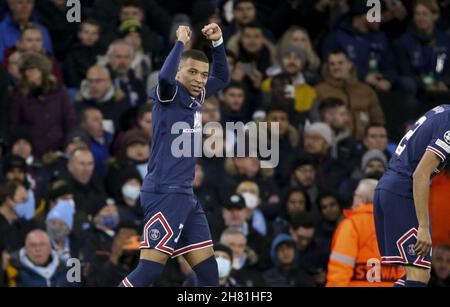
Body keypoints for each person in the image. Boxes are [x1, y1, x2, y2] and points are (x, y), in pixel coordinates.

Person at [119, 23, 229, 287]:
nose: (200, 79)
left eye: (203, 74)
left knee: (209, 276)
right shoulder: (169, 94)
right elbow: (165, 79)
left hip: (185, 196)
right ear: (179, 71)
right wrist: (180, 43)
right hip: (164, 193)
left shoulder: (195, 98)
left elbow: (223, 78)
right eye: (192, 72)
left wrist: (218, 42)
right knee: (149, 270)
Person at [374, 104, 450, 287]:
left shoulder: (442, 110)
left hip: (388, 188)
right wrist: (423, 226)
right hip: (403, 192)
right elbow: (420, 174)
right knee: (419, 274)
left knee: (416, 274)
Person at [326, 179, 404, 287]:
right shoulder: (398, 226)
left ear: (360, 198)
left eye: (355, 195)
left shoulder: (352, 225)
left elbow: (340, 269)